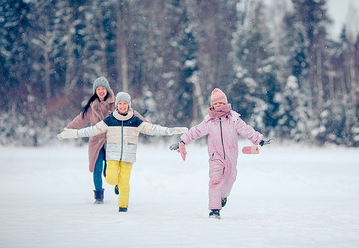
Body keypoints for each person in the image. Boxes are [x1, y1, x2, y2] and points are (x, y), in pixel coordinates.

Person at [58, 92, 188, 212]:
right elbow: (92, 130)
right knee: (110, 178)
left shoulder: (135, 120)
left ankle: (123, 207)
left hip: (128, 156)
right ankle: (117, 186)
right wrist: (72, 133)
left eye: (125, 103)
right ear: (116, 105)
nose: (122, 106)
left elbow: (153, 129)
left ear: (128, 105)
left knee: (124, 182)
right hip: (112, 155)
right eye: (120, 103)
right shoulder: (110, 119)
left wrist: (172, 130)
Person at [171, 88, 269, 219]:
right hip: (215, 156)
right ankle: (214, 210)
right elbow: (196, 131)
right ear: (212, 106)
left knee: (230, 178)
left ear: (225, 103)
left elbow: (246, 130)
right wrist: (183, 140)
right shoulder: (209, 121)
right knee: (215, 180)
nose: (218, 106)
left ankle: (223, 196)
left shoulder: (234, 119)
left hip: (231, 156)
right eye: (215, 104)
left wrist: (259, 139)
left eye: (220, 103)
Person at [63, 77, 149, 204]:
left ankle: (118, 183)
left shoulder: (115, 103)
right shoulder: (91, 105)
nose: (101, 91)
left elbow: (131, 113)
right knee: (97, 169)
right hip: (96, 141)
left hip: (112, 142)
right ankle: (98, 196)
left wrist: (147, 124)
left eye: (103, 88)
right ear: (95, 91)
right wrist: (68, 129)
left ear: (107, 89)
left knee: (108, 172)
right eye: (98, 89)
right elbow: (80, 119)